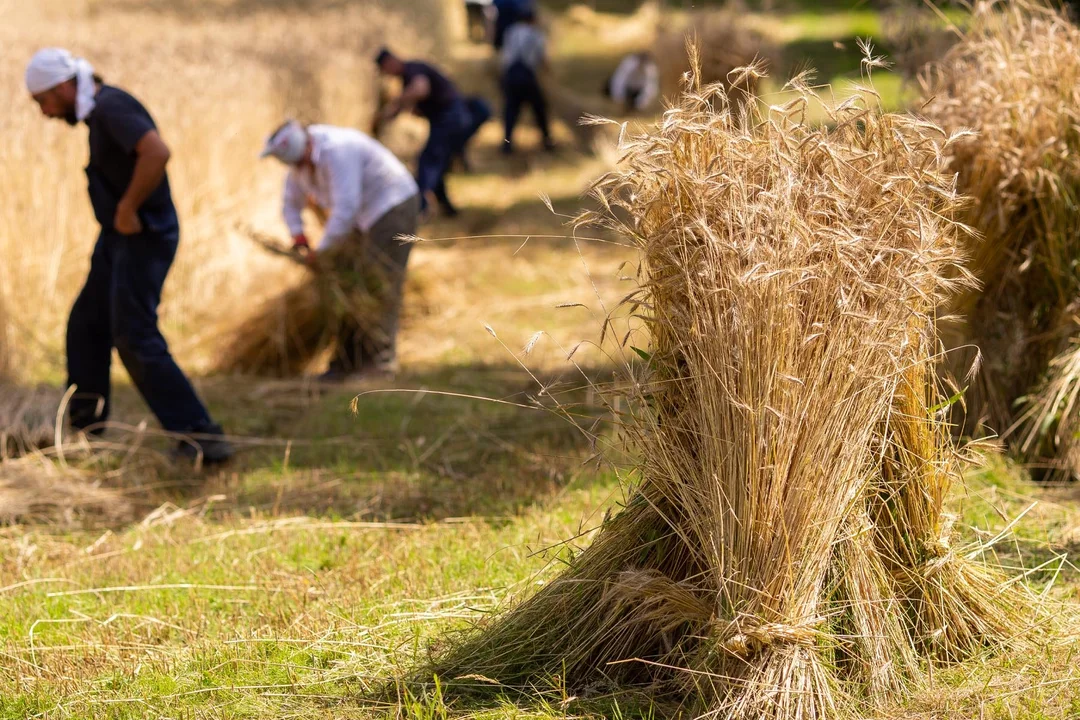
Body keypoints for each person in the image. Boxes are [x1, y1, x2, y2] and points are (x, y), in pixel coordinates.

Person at [25, 48, 232, 464]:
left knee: (134, 336)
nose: (45, 113)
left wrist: (127, 207)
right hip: (119, 238)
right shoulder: (98, 111)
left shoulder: (111, 108)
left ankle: (201, 438)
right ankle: (85, 435)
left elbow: (157, 152)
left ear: (64, 87)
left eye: (43, 101)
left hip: (144, 235)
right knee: (86, 325)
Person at [260, 120, 421, 382]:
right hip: (363, 218)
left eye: (300, 164)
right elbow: (290, 204)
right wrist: (298, 236)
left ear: (305, 150)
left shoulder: (338, 150)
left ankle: (380, 363)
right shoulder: (300, 166)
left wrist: (321, 252)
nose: (299, 170)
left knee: (379, 286)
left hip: (392, 207)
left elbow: (345, 208)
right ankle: (345, 363)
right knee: (346, 287)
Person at [375, 49, 475, 218]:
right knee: (436, 163)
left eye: (385, 71)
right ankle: (447, 209)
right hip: (450, 119)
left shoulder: (412, 69)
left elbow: (420, 89)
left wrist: (396, 103)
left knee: (427, 163)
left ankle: (418, 209)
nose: (388, 75)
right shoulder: (408, 76)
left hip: (451, 118)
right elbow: (409, 101)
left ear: (390, 62)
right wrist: (385, 117)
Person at [500, 8, 553, 154]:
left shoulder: (510, 31)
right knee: (539, 108)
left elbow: (504, 56)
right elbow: (542, 59)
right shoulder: (536, 35)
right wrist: (548, 74)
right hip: (527, 75)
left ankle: (507, 143)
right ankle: (547, 141)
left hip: (510, 75)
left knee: (511, 110)